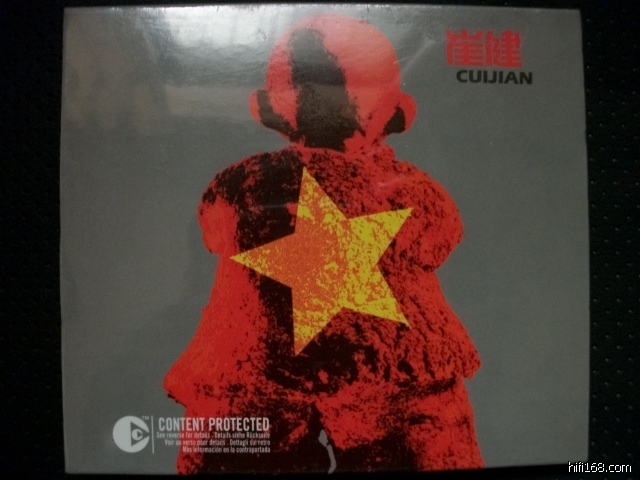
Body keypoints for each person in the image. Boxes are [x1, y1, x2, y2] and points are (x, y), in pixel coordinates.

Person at [164, 14, 483, 474]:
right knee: (425, 443)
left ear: (264, 109)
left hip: (256, 361)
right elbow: (438, 237)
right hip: (394, 361)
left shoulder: (243, 184)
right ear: (400, 114)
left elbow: (216, 227)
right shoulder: (409, 190)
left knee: (234, 452)